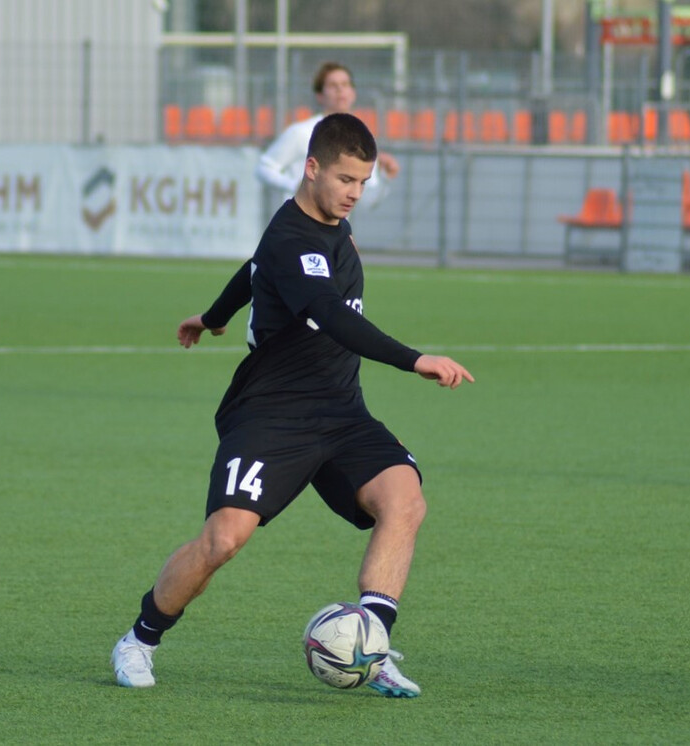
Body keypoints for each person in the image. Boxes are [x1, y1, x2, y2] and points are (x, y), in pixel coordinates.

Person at [111, 113, 472, 698]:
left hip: (341, 411)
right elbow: (328, 315)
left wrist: (212, 318)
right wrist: (415, 359)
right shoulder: (291, 237)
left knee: (404, 501)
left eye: (364, 181)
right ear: (312, 169)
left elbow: (252, 270)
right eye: (346, 179)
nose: (356, 192)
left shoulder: (330, 226)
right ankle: (139, 640)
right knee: (223, 540)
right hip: (272, 414)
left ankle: (368, 649)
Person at [256, 61, 400, 205]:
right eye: (333, 86)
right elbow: (264, 167)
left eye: (345, 84)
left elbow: (368, 200)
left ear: (353, 93)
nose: (340, 90)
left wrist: (385, 177)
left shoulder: (362, 139)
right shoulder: (301, 132)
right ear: (320, 95)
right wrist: (294, 185)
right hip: (299, 223)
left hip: (333, 227)